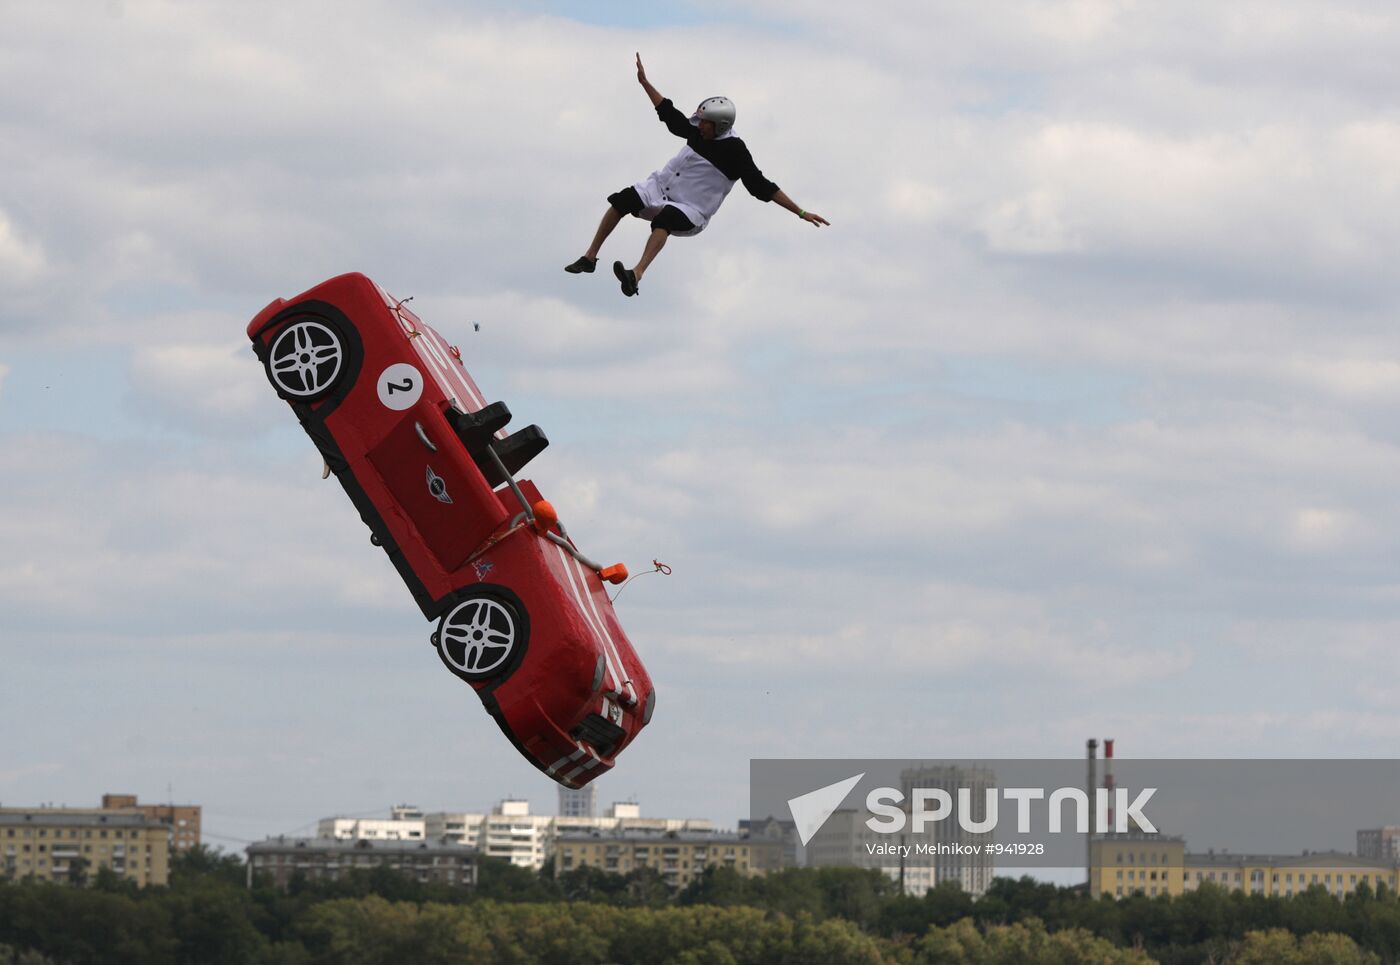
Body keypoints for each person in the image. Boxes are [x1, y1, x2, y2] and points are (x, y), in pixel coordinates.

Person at [565, 54, 829, 297]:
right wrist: (645, 83)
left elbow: (762, 186)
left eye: (704, 123)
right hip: (659, 187)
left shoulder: (735, 151)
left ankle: (636, 273)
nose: (698, 126)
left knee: (665, 219)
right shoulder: (699, 129)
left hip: (691, 209)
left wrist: (801, 212)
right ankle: (589, 258)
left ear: (720, 126)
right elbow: (670, 116)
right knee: (622, 200)